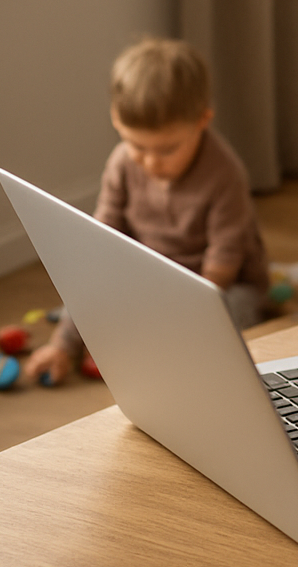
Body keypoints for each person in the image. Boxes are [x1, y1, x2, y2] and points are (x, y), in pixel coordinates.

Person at [25, 38, 271, 385]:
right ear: (115, 120)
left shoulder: (225, 173)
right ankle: (65, 348)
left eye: (168, 149)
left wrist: (178, 314)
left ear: (203, 120)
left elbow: (223, 263)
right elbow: (99, 245)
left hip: (217, 284)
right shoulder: (121, 164)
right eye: (137, 145)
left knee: (235, 313)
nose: (151, 162)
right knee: (86, 288)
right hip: (149, 275)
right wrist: (68, 335)